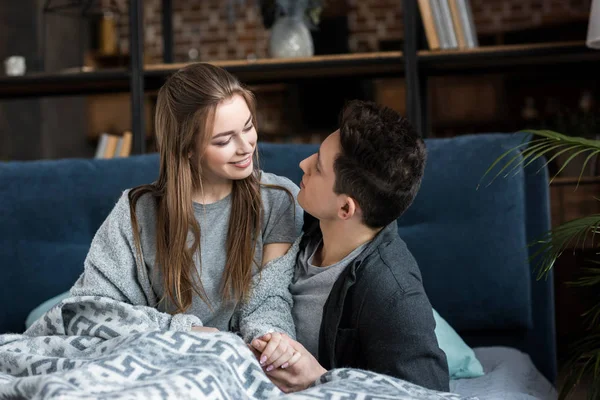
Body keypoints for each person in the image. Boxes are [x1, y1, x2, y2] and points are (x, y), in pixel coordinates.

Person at [70, 63, 303, 341]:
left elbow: (269, 298)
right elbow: (93, 307)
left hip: (239, 354)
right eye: (223, 140)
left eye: (248, 126)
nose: (245, 146)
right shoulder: (136, 210)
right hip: (162, 349)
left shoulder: (277, 199)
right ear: (188, 148)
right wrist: (185, 332)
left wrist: (271, 339)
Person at [251, 100, 450, 392]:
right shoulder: (297, 225)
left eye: (317, 166)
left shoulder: (392, 293)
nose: (302, 163)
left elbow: (429, 394)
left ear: (345, 208)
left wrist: (318, 378)